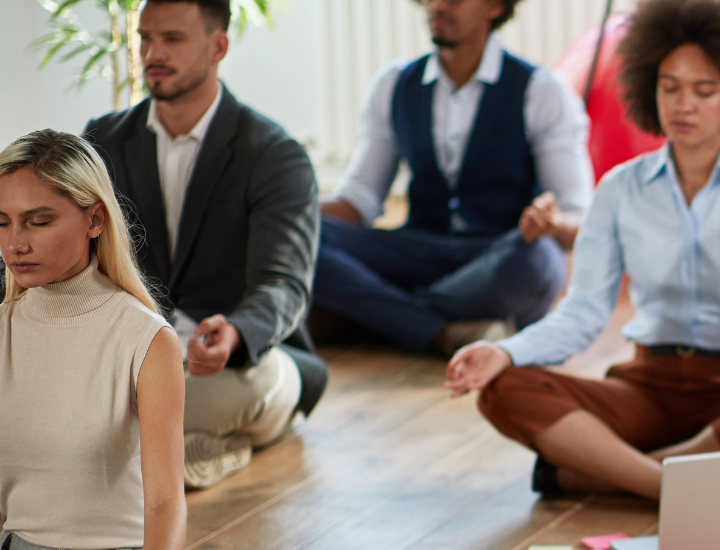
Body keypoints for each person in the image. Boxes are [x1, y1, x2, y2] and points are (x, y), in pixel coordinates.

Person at [443, 0, 720, 501]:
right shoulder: (619, 188)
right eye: (670, 88)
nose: (683, 104)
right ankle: (668, 486)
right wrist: (505, 351)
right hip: (644, 388)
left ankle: (599, 474)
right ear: (650, 88)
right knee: (504, 388)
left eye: (703, 90)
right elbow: (581, 314)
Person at [81, 0, 327, 490]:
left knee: (240, 384)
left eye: (172, 39)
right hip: (133, 359)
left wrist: (237, 333)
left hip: (238, 363)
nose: (152, 52)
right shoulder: (102, 140)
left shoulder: (275, 154)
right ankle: (189, 453)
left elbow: (283, 285)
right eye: (145, 37)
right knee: (116, 399)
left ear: (218, 47)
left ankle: (128, 459)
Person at [313, 0, 594, 356]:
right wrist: (289, 205)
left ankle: (372, 314)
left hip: (497, 254)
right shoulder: (394, 84)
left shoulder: (542, 90)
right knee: (302, 235)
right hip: (417, 250)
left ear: (495, 6)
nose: (437, 5)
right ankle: (443, 331)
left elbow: (580, 222)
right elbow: (358, 202)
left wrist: (553, 222)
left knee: (538, 261)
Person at [0, 129, 186, 550]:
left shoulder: (146, 339)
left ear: (96, 219)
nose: (15, 243)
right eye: (1, 222)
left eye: (39, 221)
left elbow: (165, 502)